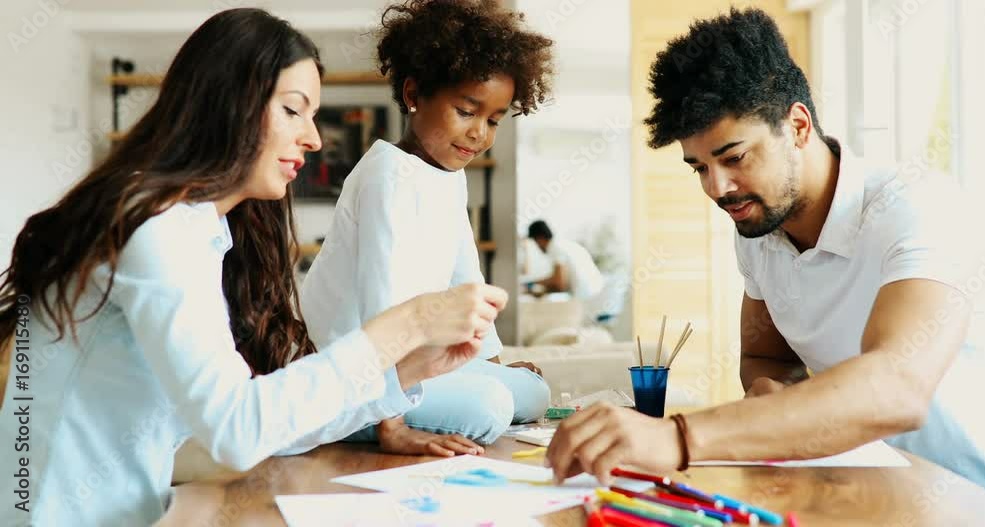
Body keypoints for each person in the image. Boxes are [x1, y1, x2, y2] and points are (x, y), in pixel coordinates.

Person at [0, 9, 507, 526]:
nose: (313, 138)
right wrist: (410, 323)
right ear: (229, 105)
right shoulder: (155, 229)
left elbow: (268, 425)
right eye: (293, 110)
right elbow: (237, 432)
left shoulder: (206, 233)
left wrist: (401, 374)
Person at [545, 7, 985, 492]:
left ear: (798, 126)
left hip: (974, 495)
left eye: (735, 157)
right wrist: (775, 393)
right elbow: (767, 358)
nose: (717, 188)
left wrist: (678, 437)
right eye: (699, 168)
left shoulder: (919, 206)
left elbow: (898, 388)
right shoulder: (760, 231)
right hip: (864, 485)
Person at [300, 0, 553, 453]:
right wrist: (393, 427)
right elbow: (382, 306)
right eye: (466, 111)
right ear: (414, 94)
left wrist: (494, 366)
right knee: (491, 405)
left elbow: (466, 277)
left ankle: (466, 391)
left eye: (494, 120)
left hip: (413, 361)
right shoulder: (386, 175)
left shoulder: (448, 175)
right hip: (353, 372)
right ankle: (365, 420)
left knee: (533, 392)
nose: (480, 133)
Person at [526, 220, 605, 301]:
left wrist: (532, 285)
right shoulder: (565, 244)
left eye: (535, 242)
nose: (537, 246)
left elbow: (559, 283)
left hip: (586, 299)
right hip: (598, 294)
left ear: (540, 238)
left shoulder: (555, 248)